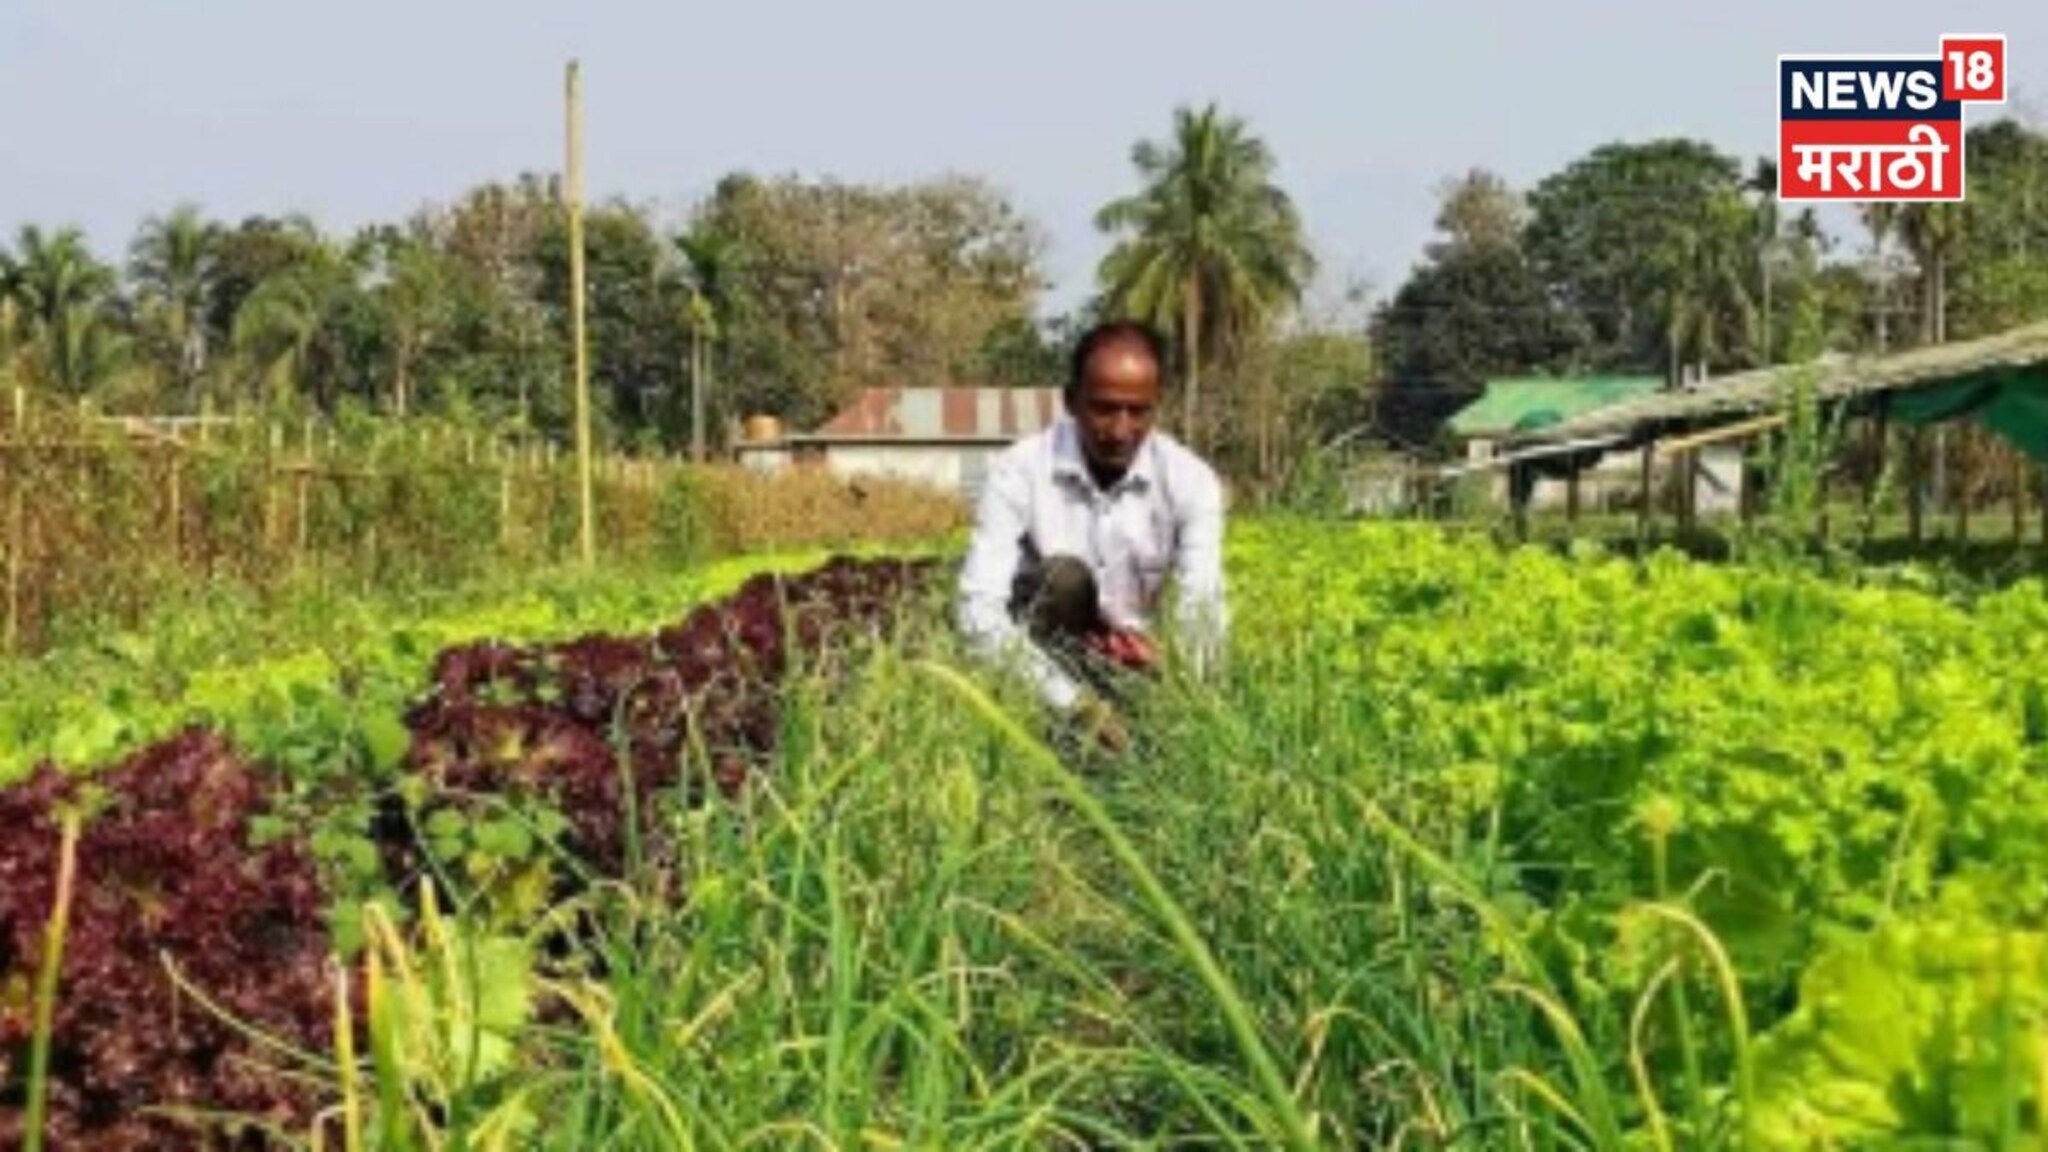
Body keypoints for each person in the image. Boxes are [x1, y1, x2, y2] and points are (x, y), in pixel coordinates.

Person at [956, 319, 1229, 755]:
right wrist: (1076, 704)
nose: (1121, 430)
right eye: (1104, 408)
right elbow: (977, 611)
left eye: (1138, 412)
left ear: (1157, 405)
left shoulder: (1191, 482)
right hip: (1042, 657)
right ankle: (1051, 727)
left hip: (1136, 660)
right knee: (1064, 578)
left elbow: (1202, 603)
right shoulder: (1019, 470)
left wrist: (1186, 691)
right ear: (1071, 402)